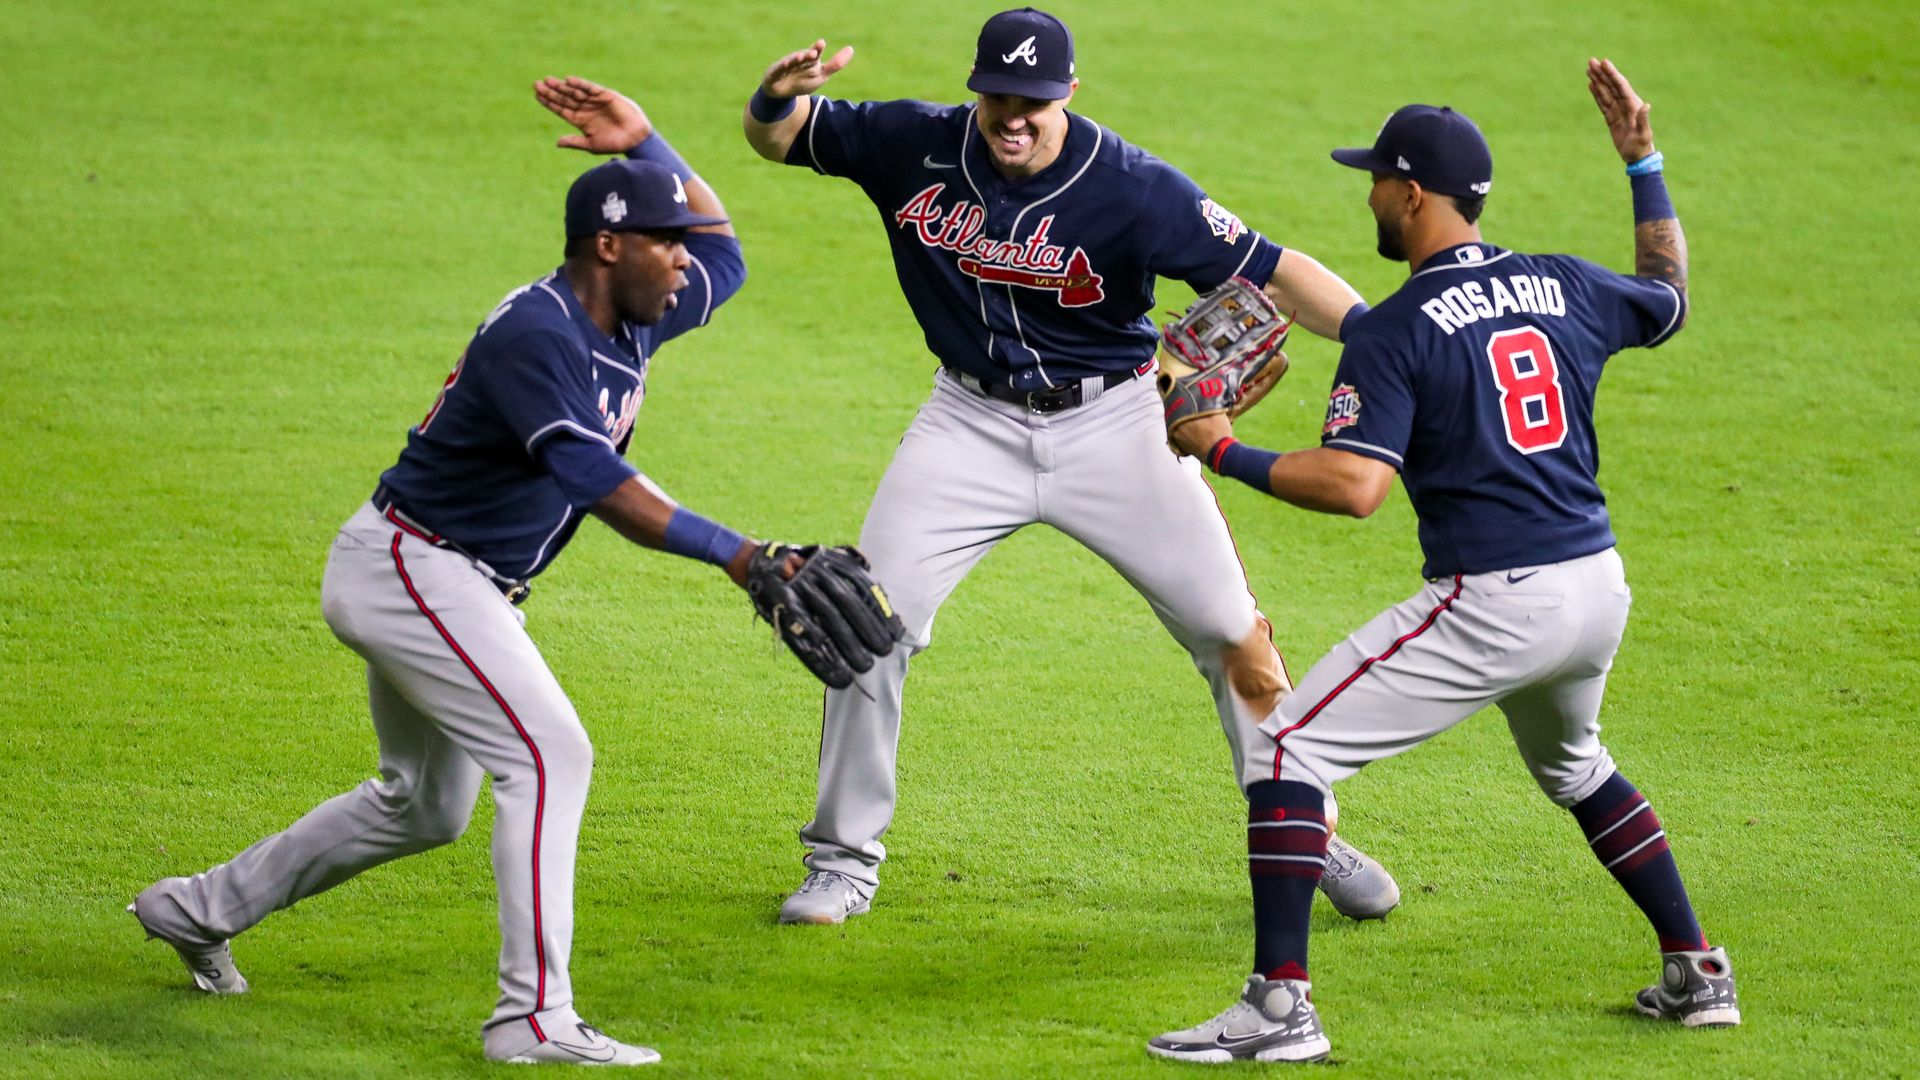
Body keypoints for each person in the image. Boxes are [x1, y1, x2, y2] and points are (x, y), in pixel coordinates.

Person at [128, 80, 870, 1067]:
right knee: (551, 756)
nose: (685, 258)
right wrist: (740, 555)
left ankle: (193, 909)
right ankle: (533, 1018)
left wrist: (648, 142)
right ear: (608, 246)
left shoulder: (636, 311)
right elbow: (596, 482)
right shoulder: (538, 335)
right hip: (413, 571)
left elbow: (725, 249)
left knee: (422, 805)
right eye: (665, 241)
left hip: (445, 578)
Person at [734, 7, 1399, 926]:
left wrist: (1387, 339)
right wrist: (775, 95)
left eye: (1034, 102)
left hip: (1116, 424)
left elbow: (1272, 270)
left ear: (1069, 95)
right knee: (868, 621)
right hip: (967, 422)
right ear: (976, 90)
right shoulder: (910, 142)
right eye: (999, 97)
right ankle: (840, 864)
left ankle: (1304, 834)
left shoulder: (1134, 187)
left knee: (1231, 631)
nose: (1014, 117)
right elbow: (778, 138)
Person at [1147, 60, 1737, 1064]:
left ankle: (1280, 1007)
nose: (1369, 195)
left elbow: (1354, 486)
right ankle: (1696, 971)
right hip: (1597, 586)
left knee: (1286, 753)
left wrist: (1219, 447)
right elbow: (1669, 297)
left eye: (1378, 179)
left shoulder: (1397, 327)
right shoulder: (1566, 282)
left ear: (1414, 194)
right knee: (1577, 766)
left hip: (1496, 602)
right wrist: (1644, 165)